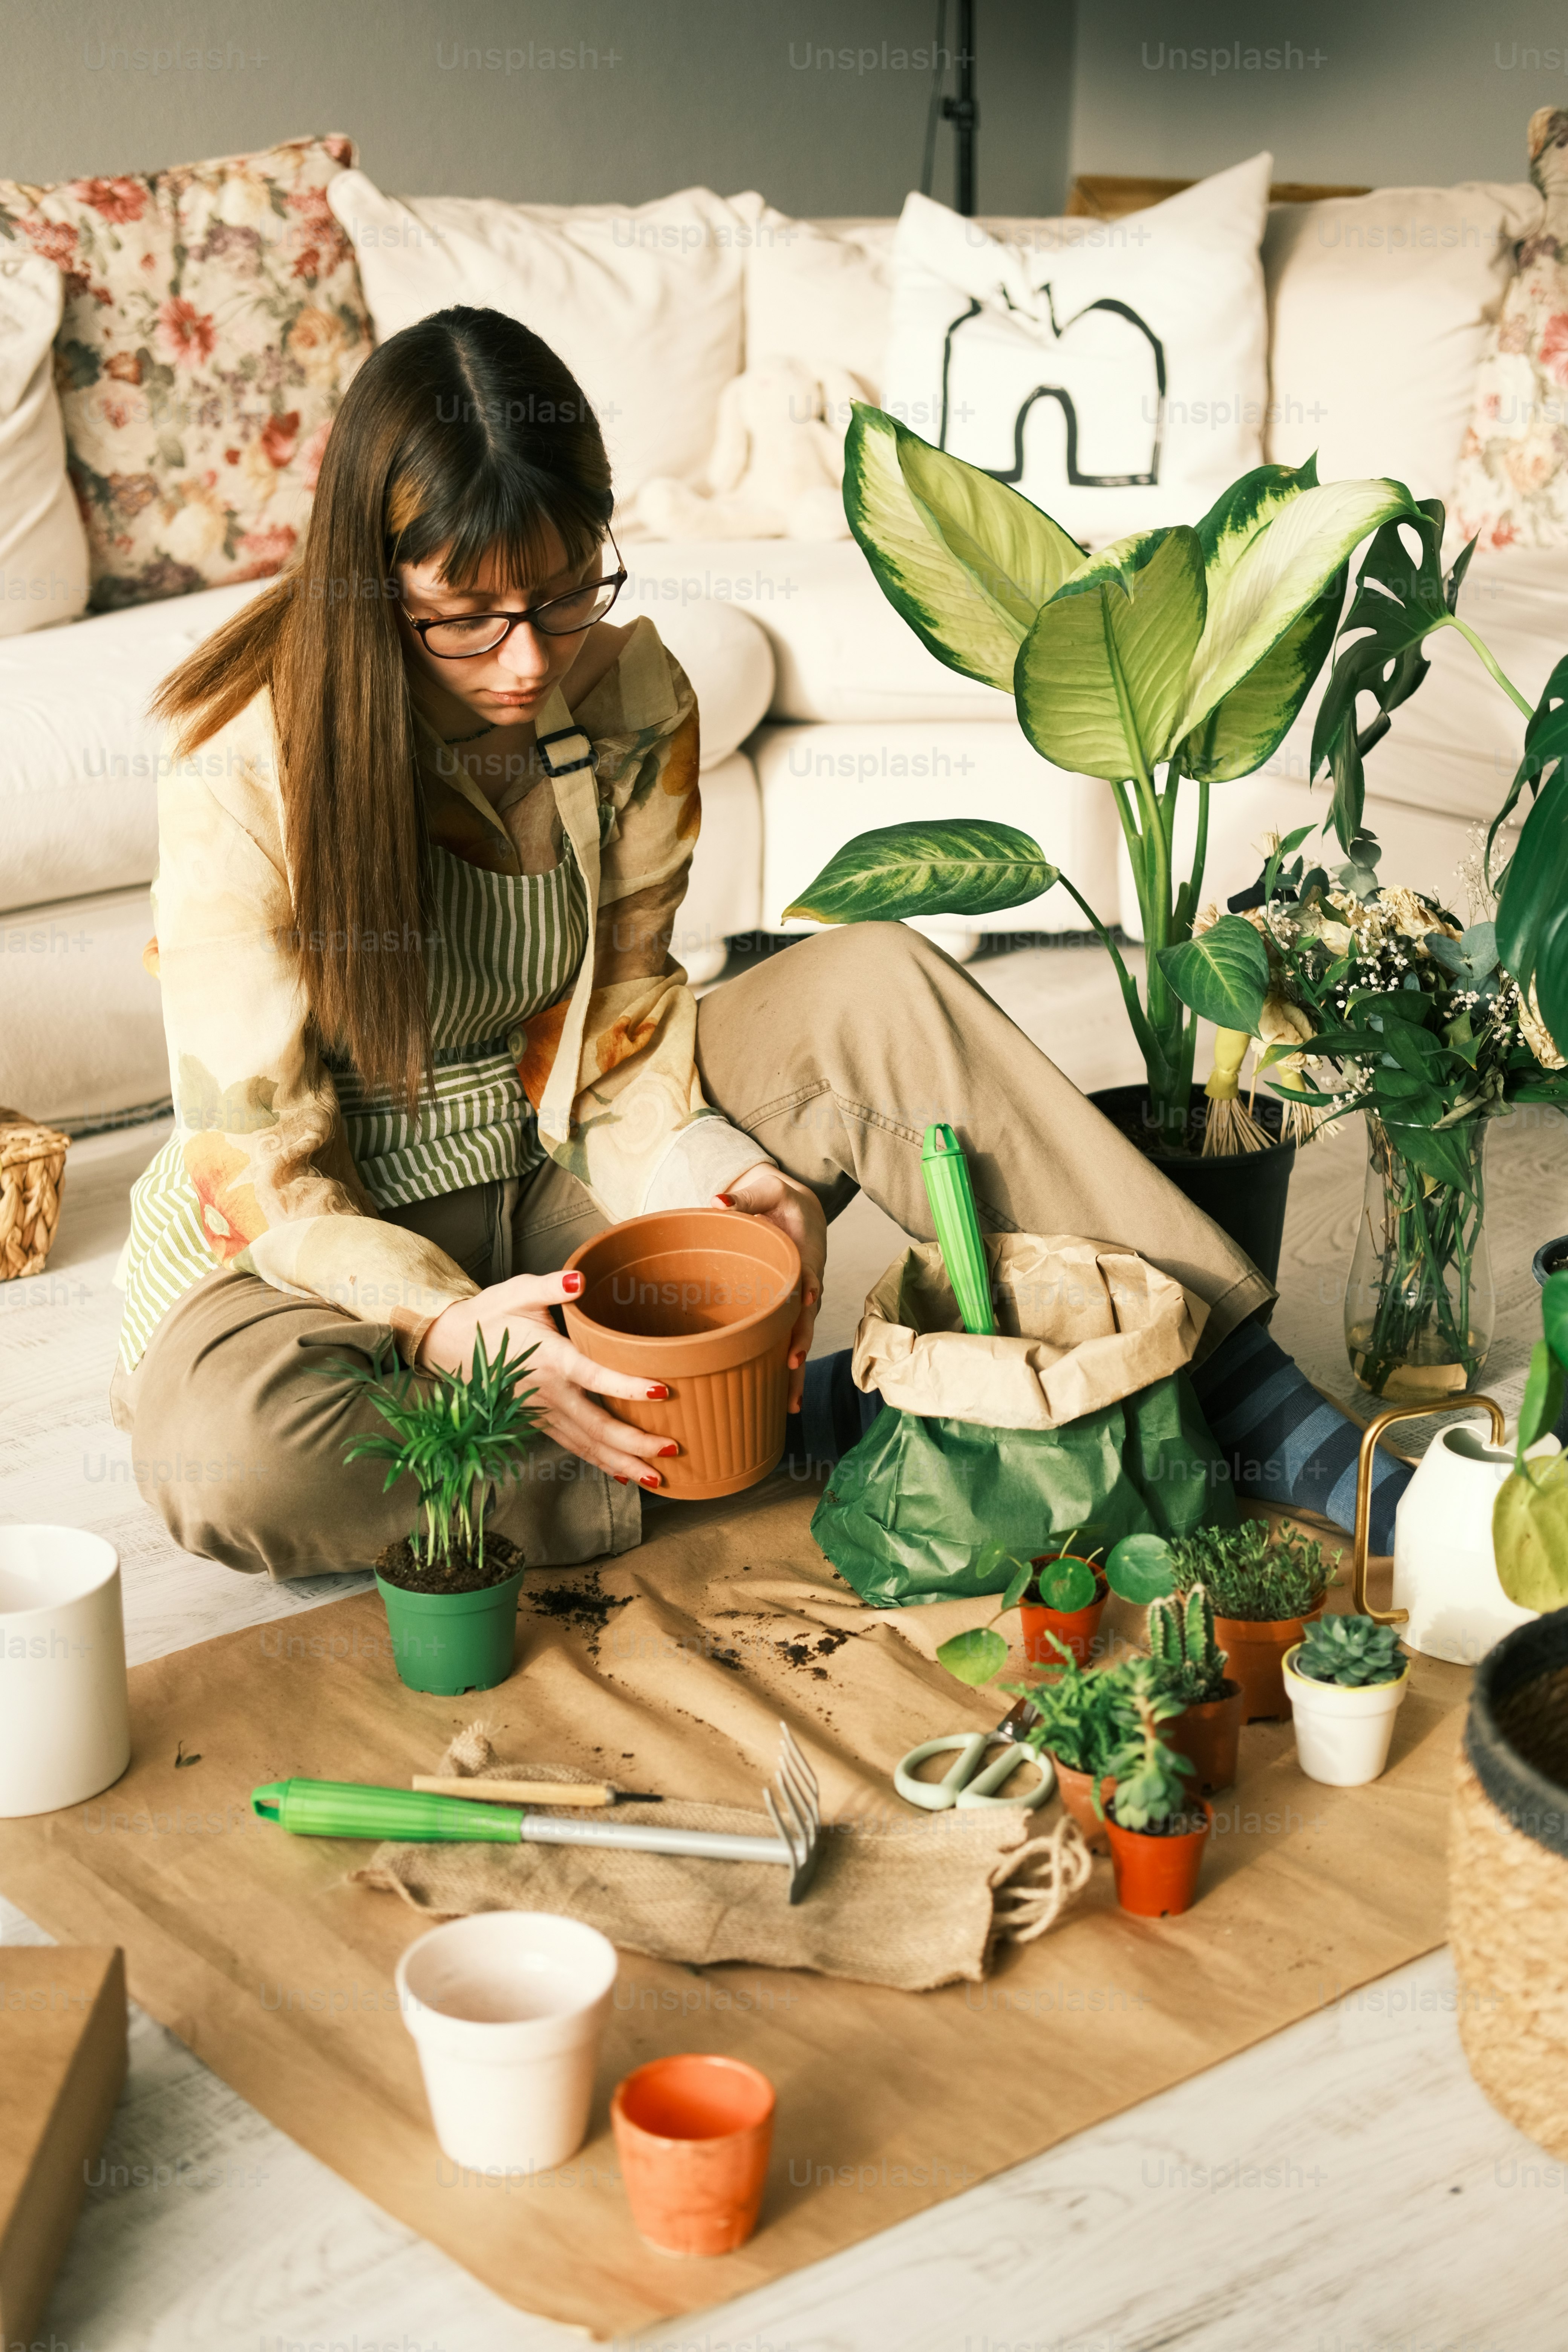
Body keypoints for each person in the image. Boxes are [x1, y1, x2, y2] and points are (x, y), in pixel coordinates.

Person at [112, 305, 1408, 1578]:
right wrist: (445, 1324)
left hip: (554, 1173)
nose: (522, 664)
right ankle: (788, 1428)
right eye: (465, 614)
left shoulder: (623, 698)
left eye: (562, 597)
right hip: (319, 1252)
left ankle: (1259, 1408)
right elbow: (262, 1167)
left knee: (876, 984)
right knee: (230, 1457)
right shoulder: (243, 764)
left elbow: (620, 1041)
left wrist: (726, 1184)